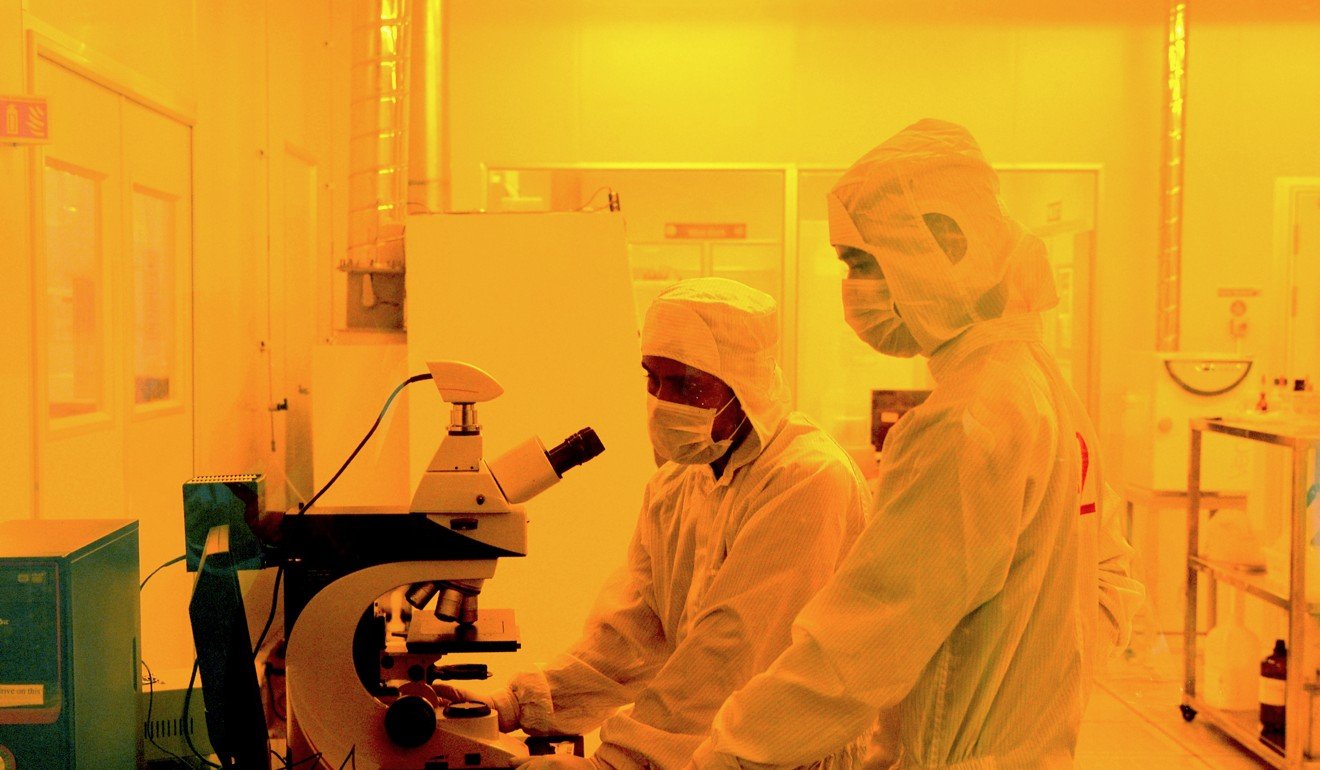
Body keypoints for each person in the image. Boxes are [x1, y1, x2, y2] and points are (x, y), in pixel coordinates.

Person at [687, 120, 1144, 770]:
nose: (853, 291)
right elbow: (1107, 581)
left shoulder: (965, 421)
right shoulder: (1038, 385)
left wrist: (728, 753)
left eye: (863, 263)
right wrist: (1024, 693)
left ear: (948, 244)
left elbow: (857, 650)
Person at [438, 277, 872, 770]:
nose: (664, 400)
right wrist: (512, 705)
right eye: (653, 379)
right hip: (714, 751)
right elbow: (633, 630)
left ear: (742, 384)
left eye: (685, 384)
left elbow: (728, 653)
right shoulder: (677, 483)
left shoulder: (806, 478)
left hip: (792, 757)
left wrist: (619, 763)